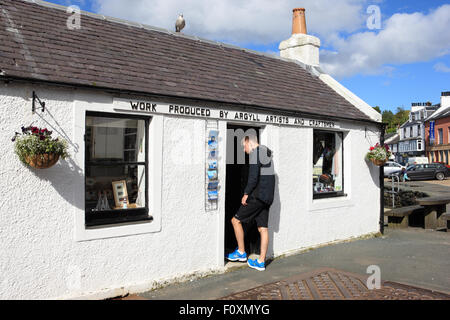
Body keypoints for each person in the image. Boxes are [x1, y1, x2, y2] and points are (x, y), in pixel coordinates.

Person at [225, 134, 275, 271]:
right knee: (263, 228)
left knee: (235, 221)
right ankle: (261, 262)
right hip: (267, 198)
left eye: (244, 146)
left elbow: (253, 177)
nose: (244, 149)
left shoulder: (256, 154)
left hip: (257, 197)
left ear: (249, 142)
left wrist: (246, 194)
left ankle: (241, 252)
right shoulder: (266, 154)